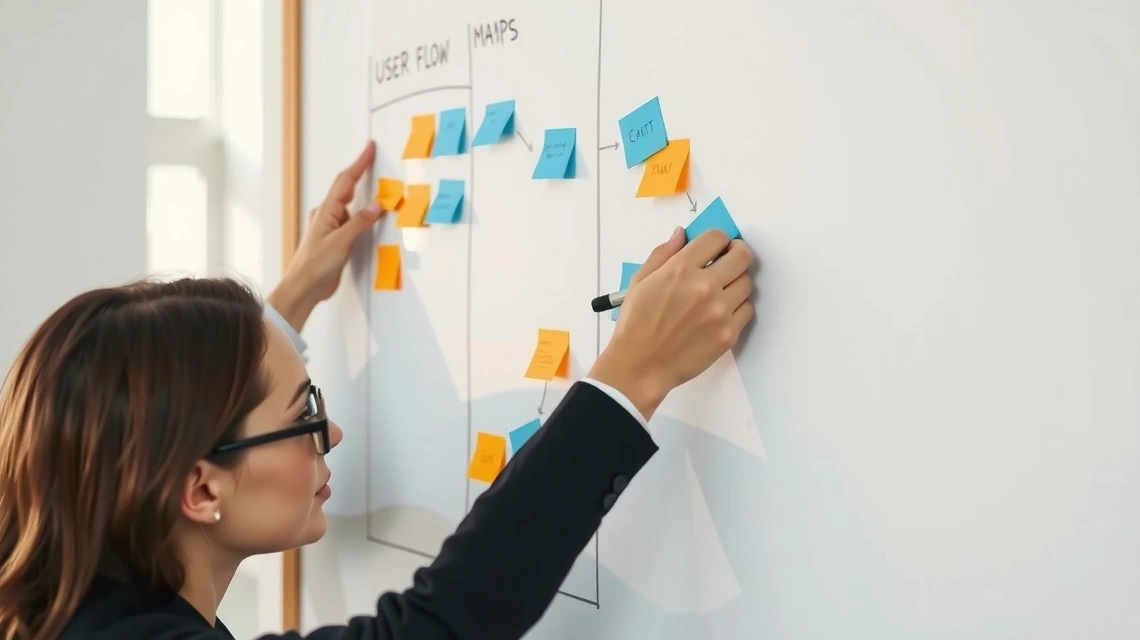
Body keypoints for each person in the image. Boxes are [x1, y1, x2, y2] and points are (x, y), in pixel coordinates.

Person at [0, 141, 755, 640]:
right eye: (305, 413)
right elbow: (439, 626)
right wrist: (633, 371)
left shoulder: (67, 598)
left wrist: (285, 302)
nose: (331, 435)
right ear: (198, 489)